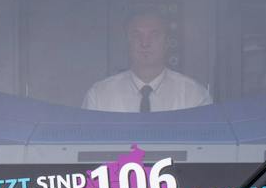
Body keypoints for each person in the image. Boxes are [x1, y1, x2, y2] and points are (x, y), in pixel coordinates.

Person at [82, 11, 213, 113]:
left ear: (167, 42)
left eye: (154, 35)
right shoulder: (99, 95)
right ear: (127, 41)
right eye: (136, 35)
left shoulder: (194, 96)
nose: (145, 43)